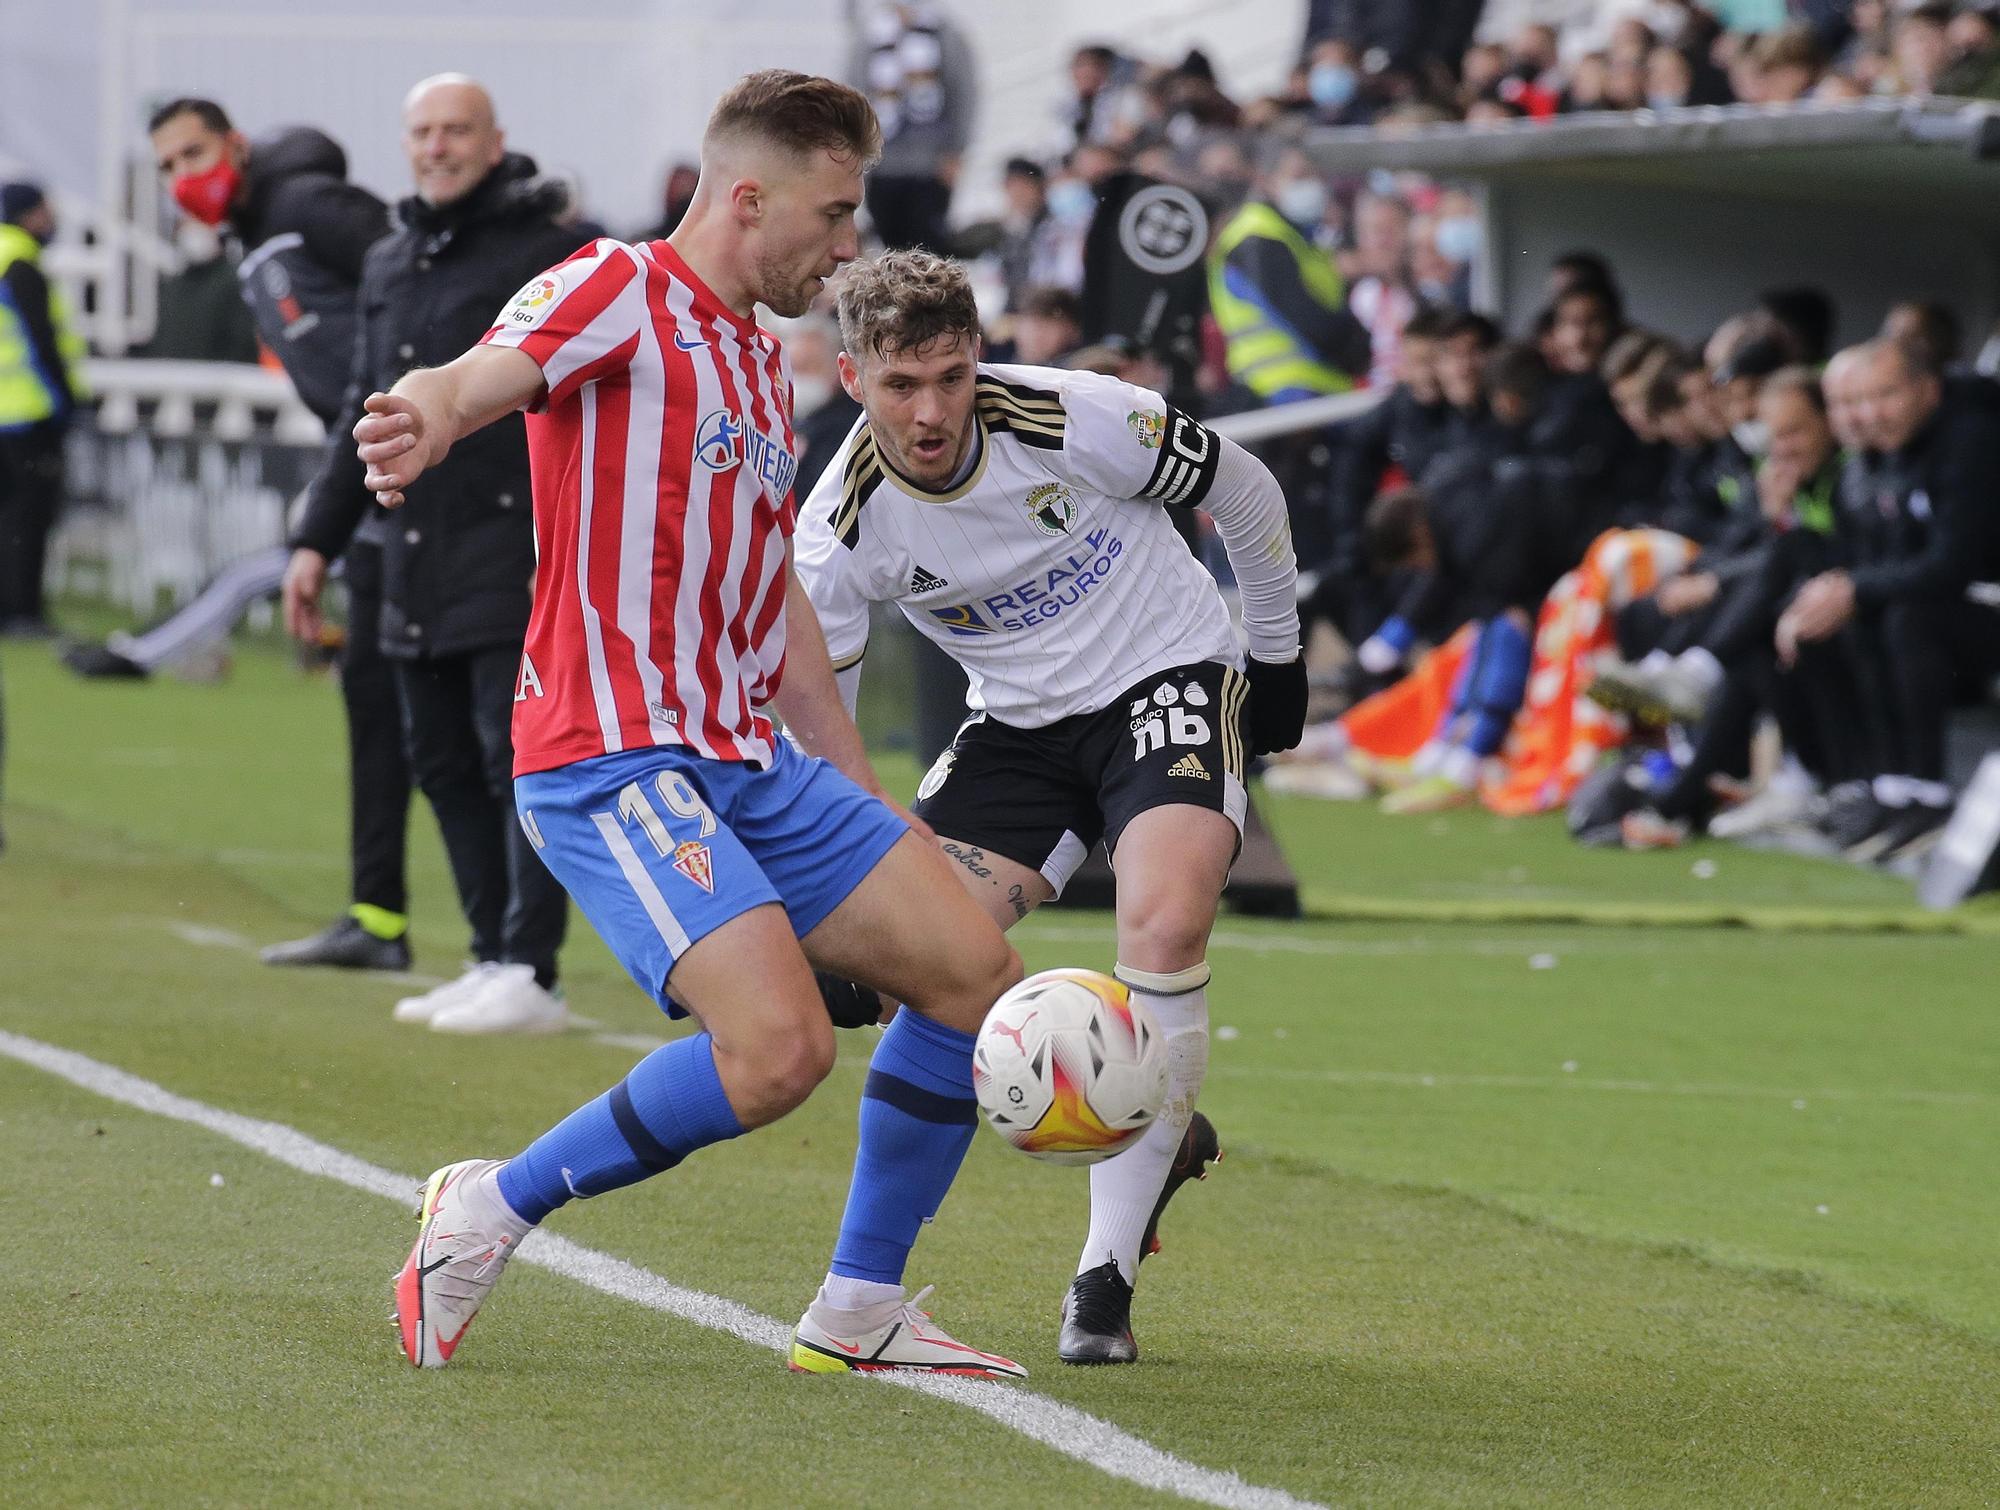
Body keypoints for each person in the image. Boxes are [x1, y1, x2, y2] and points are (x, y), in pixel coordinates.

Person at [360, 70, 1029, 1378]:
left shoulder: (751, 359)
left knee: (968, 971)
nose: (848, 248)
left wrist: (861, 788)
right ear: (745, 198)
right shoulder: (614, 283)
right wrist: (430, 411)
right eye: (834, 215)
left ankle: (861, 1307)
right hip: (611, 758)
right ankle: (488, 1205)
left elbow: (773, 598)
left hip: (749, 756)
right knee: (778, 1050)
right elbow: (487, 371)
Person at [793, 248, 1308, 1363]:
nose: (929, 412)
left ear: (977, 356)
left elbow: (1246, 488)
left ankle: (1100, 1279)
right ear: (850, 378)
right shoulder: (835, 531)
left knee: (1162, 923)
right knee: (928, 961)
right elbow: (821, 735)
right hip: (1016, 731)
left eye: (948, 375)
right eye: (898, 385)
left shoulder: (1080, 416)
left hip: (1165, 676)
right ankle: (869, 1280)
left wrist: (1274, 660)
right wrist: (841, 908)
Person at [70, 99, 414, 972]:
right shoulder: (249, 239)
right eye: (170, 164)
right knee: (376, 705)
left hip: (432, 480)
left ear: (236, 146)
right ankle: (378, 917)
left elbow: (413, 297)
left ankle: (522, 952)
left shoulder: (308, 207)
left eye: (195, 153)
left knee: (486, 725)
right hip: (374, 486)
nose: (185, 177)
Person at [284, 76, 587, 1032]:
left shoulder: (552, 253)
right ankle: (491, 951)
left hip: (511, 545)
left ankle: (531, 968)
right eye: (422, 132)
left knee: (517, 764)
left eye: (457, 130)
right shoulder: (389, 259)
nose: (438, 147)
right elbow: (362, 411)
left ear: (495, 141)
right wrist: (313, 539)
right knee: (441, 761)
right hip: (406, 546)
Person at [1207, 151, 1369, 407]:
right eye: (1299, 176)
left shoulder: (1300, 237)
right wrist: (1362, 354)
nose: (1312, 185)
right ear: (1266, 181)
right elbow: (1307, 320)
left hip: (1320, 388)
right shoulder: (1258, 239)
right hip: (1283, 392)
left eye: (1315, 176)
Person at [0, 181, 88, 638]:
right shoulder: (20, 262)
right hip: (25, 411)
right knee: (27, 517)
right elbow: (41, 342)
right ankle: (22, 612)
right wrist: (67, 399)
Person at [851, 1, 976, 251]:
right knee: (890, 246)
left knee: (927, 247)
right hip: (882, 166)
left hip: (930, 167)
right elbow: (854, 94)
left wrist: (956, 151)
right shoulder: (871, 35)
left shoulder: (944, 33)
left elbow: (963, 93)